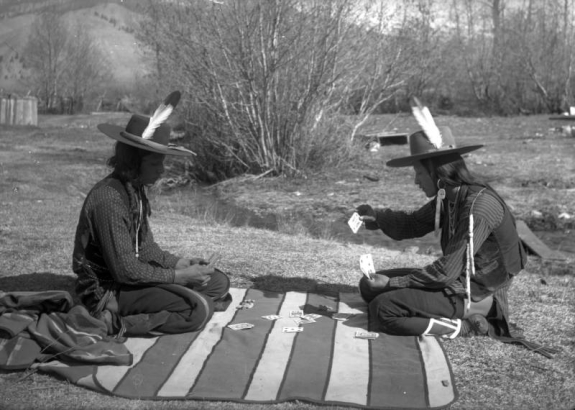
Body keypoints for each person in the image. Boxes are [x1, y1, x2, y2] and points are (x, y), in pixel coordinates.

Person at [355, 99, 556, 358]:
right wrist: (378, 218)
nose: (416, 181)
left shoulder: (478, 207)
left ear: (437, 173)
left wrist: (394, 283)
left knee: (383, 309)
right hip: (457, 282)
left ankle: (468, 326)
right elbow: (414, 223)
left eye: (418, 173)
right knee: (367, 285)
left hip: (477, 292)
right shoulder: (449, 196)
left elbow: (447, 271)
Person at [72, 91, 231, 337]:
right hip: (107, 290)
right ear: (134, 161)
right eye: (156, 164)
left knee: (219, 282)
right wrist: (178, 277)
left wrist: (182, 263)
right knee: (197, 309)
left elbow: (146, 250)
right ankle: (113, 323)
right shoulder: (109, 199)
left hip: (129, 280)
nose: (162, 170)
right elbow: (125, 271)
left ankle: (172, 301)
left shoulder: (134, 190)